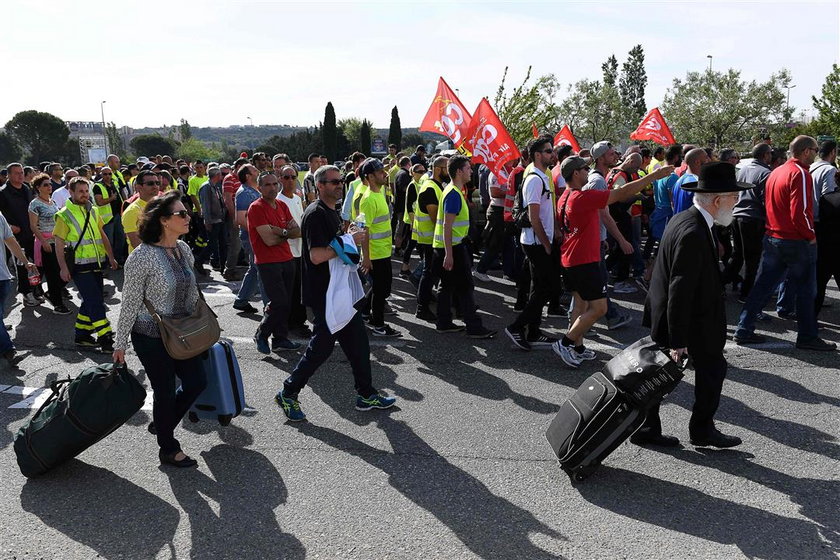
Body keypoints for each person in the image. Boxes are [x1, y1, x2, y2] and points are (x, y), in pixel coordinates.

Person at [637, 162, 750, 448]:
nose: (737, 203)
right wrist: (678, 339)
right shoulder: (693, 232)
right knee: (702, 372)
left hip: (682, 316)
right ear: (716, 200)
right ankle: (699, 430)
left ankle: (649, 427)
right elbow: (680, 287)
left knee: (664, 377)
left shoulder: (687, 219)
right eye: (733, 198)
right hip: (688, 320)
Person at [275, 165, 397, 421]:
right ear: (319, 186)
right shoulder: (316, 214)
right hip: (325, 293)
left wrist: (352, 239)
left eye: (340, 181)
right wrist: (348, 240)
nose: (338, 185)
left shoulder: (332, 212)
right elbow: (317, 255)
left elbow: (339, 247)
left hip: (340, 291)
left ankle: (366, 394)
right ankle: (288, 392)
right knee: (321, 348)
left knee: (359, 344)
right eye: (332, 182)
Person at [113, 191, 207, 468]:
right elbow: (129, 302)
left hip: (183, 332)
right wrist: (120, 344)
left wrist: (203, 323)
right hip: (150, 335)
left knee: (197, 382)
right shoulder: (141, 257)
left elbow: (193, 293)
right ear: (164, 221)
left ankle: (163, 423)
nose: (188, 217)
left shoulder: (184, 249)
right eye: (182, 214)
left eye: (187, 212)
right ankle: (168, 448)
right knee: (164, 391)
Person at [552, 157, 673, 368]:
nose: (587, 171)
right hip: (584, 260)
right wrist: (654, 176)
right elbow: (620, 193)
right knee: (599, 308)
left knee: (580, 305)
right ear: (575, 173)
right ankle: (566, 342)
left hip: (572, 258)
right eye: (583, 168)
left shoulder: (565, 196)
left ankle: (577, 347)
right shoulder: (581, 196)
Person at [734, 136, 836, 351]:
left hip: (774, 237)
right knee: (807, 290)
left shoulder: (777, 171)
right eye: (815, 149)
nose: (817, 153)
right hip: (795, 240)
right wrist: (810, 235)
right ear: (806, 151)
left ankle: (743, 328)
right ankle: (807, 336)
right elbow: (800, 211)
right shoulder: (799, 173)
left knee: (762, 286)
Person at [503, 137, 558, 350]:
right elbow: (534, 218)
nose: (552, 154)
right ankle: (517, 327)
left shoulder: (543, 177)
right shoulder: (535, 179)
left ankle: (533, 332)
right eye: (548, 151)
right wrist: (546, 243)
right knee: (545, 288)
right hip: (535, 242)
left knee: (540, 288)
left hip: (540, 240)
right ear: (537, 155)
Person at [431, 155, 495, 338]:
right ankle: (473, 327)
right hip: (453, 247)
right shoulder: (453, 193)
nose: (471, 171)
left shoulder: (454, 190)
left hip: (448, 246)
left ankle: (443, 322)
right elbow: (447, 225)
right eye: (468, 168)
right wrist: (449, 254)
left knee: (447, 285)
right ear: (459, 171)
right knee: (466, 286)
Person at [54, 177, 119, 351]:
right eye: (80, 191)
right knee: (96, 302)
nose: (84, 194)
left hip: (97, 263)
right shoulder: (64, 214)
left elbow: (102, 234)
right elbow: (59, 245)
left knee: (90, 301)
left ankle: (81, 335)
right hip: (79, 266)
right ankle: (105, 338)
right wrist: (63, 268)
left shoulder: (94, 210)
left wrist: (111, 256)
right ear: (71, 192)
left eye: (86, 191)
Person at [248, 171, 302, 353]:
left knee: (286, 302)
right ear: (259, 188)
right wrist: (286, 233)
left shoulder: (281, 205)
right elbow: (268, 240)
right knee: (279, 302)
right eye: (267, 185)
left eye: (274, 184)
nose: (272, 188)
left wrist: (281, 231)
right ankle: (261, 333)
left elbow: (297, 231)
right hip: (268, 262)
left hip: (287, 259)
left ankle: (280, 338)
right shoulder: (256, 208)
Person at [583, 142, 632, 330]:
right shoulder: (598, 181)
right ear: (601, 158)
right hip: (591, 239)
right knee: (596, 282)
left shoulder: (598, 178)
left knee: (595, 282)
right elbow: (603, 214)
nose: (615, 156)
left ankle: (604, 318)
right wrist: (621, 239)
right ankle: (606, 318)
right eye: (611, 154)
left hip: (595, 238)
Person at [727, 143, 773, 302]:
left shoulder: (742, 169)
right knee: (752, 259)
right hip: (753, 219)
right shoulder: (766, 173)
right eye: (770, 154)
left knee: (738, 255)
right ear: (765, 155)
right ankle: (746, 294)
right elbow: (765, 200)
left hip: (737, 215)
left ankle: (720, 283)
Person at [0, 210, 39, 365]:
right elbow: (10, 240)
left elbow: (10, 240)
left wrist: (25, 261)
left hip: (3, 277)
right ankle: (8, 350)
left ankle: (6, 348)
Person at [28, 173, 69, 314]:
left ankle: (52, 293)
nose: (49, 186)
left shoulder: (53, 202)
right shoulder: (35, 204)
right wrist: (43, 241)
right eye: (45, 185)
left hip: (58, 241)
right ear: (38, 188)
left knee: (65, 270)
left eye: (50, 184)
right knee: (52, 275)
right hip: (46, 243)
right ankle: (58, 305)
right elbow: (33, 226)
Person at [277, 165, 310, 338]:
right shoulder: (278, 201)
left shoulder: (297, 198)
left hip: (300, 249)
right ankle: (291, 324)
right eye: (286, 177)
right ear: (280, 179)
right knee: (291, 290)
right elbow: (286, 229)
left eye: (293, 177)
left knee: (300, 288)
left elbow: (301, 222)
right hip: (287, 251)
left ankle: (299, 321)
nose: (290, 180)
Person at [414, 156, 447, 321]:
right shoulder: (430, 188)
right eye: (447, 168)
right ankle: (422, 308)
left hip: (434, 238)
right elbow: (436, 218)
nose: (450, 171)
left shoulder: (437, 186)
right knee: (429, 274)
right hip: (430, 239)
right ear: (439, 169)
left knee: (433, 273)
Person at [0, 163, 38, 306]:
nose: (20, 175)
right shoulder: (3, 193)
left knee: (34, 263)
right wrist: (9, 227)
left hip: (30, 233)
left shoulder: (26, 189)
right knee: (21, 266)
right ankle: (26, 292)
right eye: (16, 173)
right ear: (8, 175)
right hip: (14, 237)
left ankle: (35, 290)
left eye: (21, 172)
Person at [233, 164, 266, 313]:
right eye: (254, 170)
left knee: (254, 268)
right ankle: (269, 306)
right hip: (252, 238)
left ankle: (241, 300)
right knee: (263, 268)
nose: (258, 171)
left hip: (255, 236)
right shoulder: (244, 193)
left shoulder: (252, 191)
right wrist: (259, 233)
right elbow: (240, 219)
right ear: (247, 176)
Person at [812, 140, 839, 314]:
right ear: (833, 152)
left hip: (814, 224)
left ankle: (810, 317)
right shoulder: (829, 169)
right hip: (827, 226)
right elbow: (829, 198)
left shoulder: (811, 168)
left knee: (819, 274)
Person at [197, 167, 228, 274]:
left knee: (222, 243)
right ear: (216, 175)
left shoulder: (214, 186)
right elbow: (205, 206)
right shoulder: (206, 187)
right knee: (212, 244)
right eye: (220, 174)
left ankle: (223, 266)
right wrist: (207, 221)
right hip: (213, 221)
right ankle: (199, 261)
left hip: (219, 219)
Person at [122, 170, 161, 253]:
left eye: (157, 183)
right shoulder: (132, 211)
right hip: (143, 260)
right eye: (150, 183)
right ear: (138, 187)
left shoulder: (161, 206)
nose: (155, 186)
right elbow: (136, 243)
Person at [671, 148, 711, 214]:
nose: (709, 160)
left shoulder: (679, 181)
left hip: (679, 222)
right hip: (690, 222)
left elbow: (673, 204)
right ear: (697, 162)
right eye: (706, 157)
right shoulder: (696, 183)